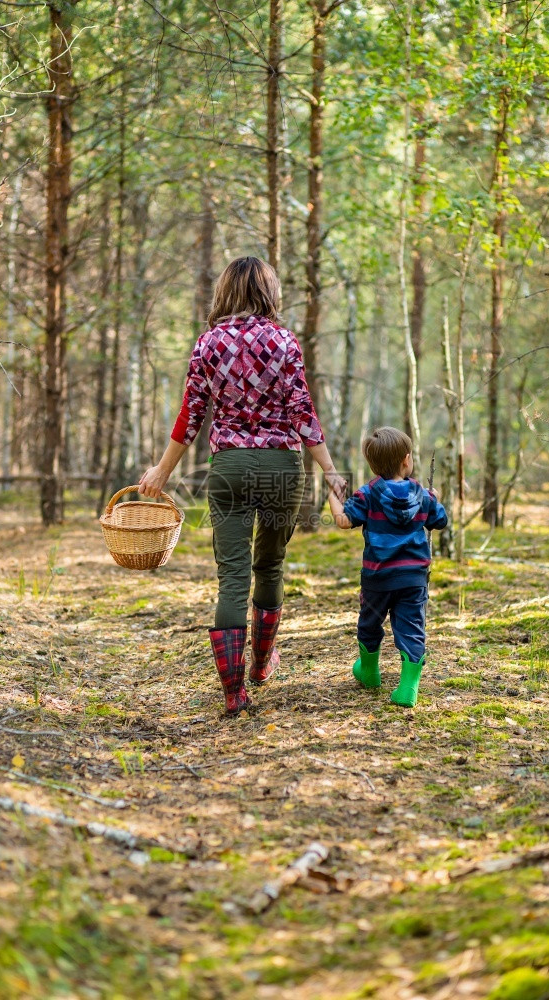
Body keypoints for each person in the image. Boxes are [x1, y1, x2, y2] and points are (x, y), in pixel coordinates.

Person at [139, 256, 346, 716]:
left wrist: (161, 470)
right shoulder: (284, 341)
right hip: (281, 470)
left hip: (229, 468)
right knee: (269, 566)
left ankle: (234, 694)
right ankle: (260, 663)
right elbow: (303, 414)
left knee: (231, 577)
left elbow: (190, 415)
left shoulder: (208, 344)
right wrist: (331, 471)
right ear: (268, 291)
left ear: (226, 291)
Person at [328, 426, 447, 708]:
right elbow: (439, 521)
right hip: (413, 579)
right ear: (407, 460)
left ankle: (369, 671)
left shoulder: (367, 494)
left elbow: (344, 521)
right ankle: (408, 688)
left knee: (370, 624)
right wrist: (434, 499)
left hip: (377, 578)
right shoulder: (421, 494)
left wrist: (333, 496)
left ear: (372, 464)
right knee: (412, 628)